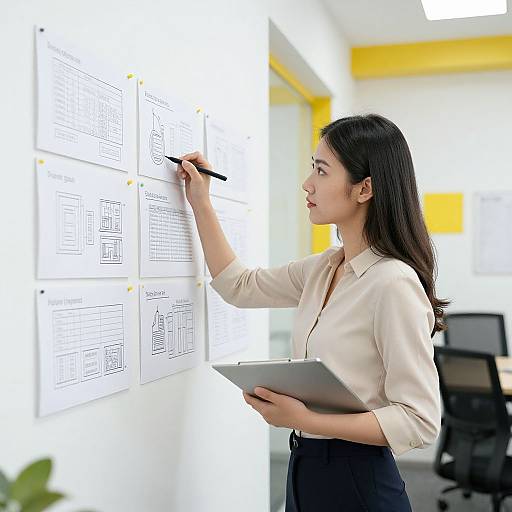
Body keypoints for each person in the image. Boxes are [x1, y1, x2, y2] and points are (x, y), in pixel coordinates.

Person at [176, 113, 448, 511]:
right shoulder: (323, 268)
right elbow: (239, 286)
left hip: (357, 479)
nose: (308, 183)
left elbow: (419, 420)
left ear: (364, 188)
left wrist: (303, 418)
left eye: (321, 171)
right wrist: (201, 201)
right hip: (304, 467)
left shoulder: (393, 283)